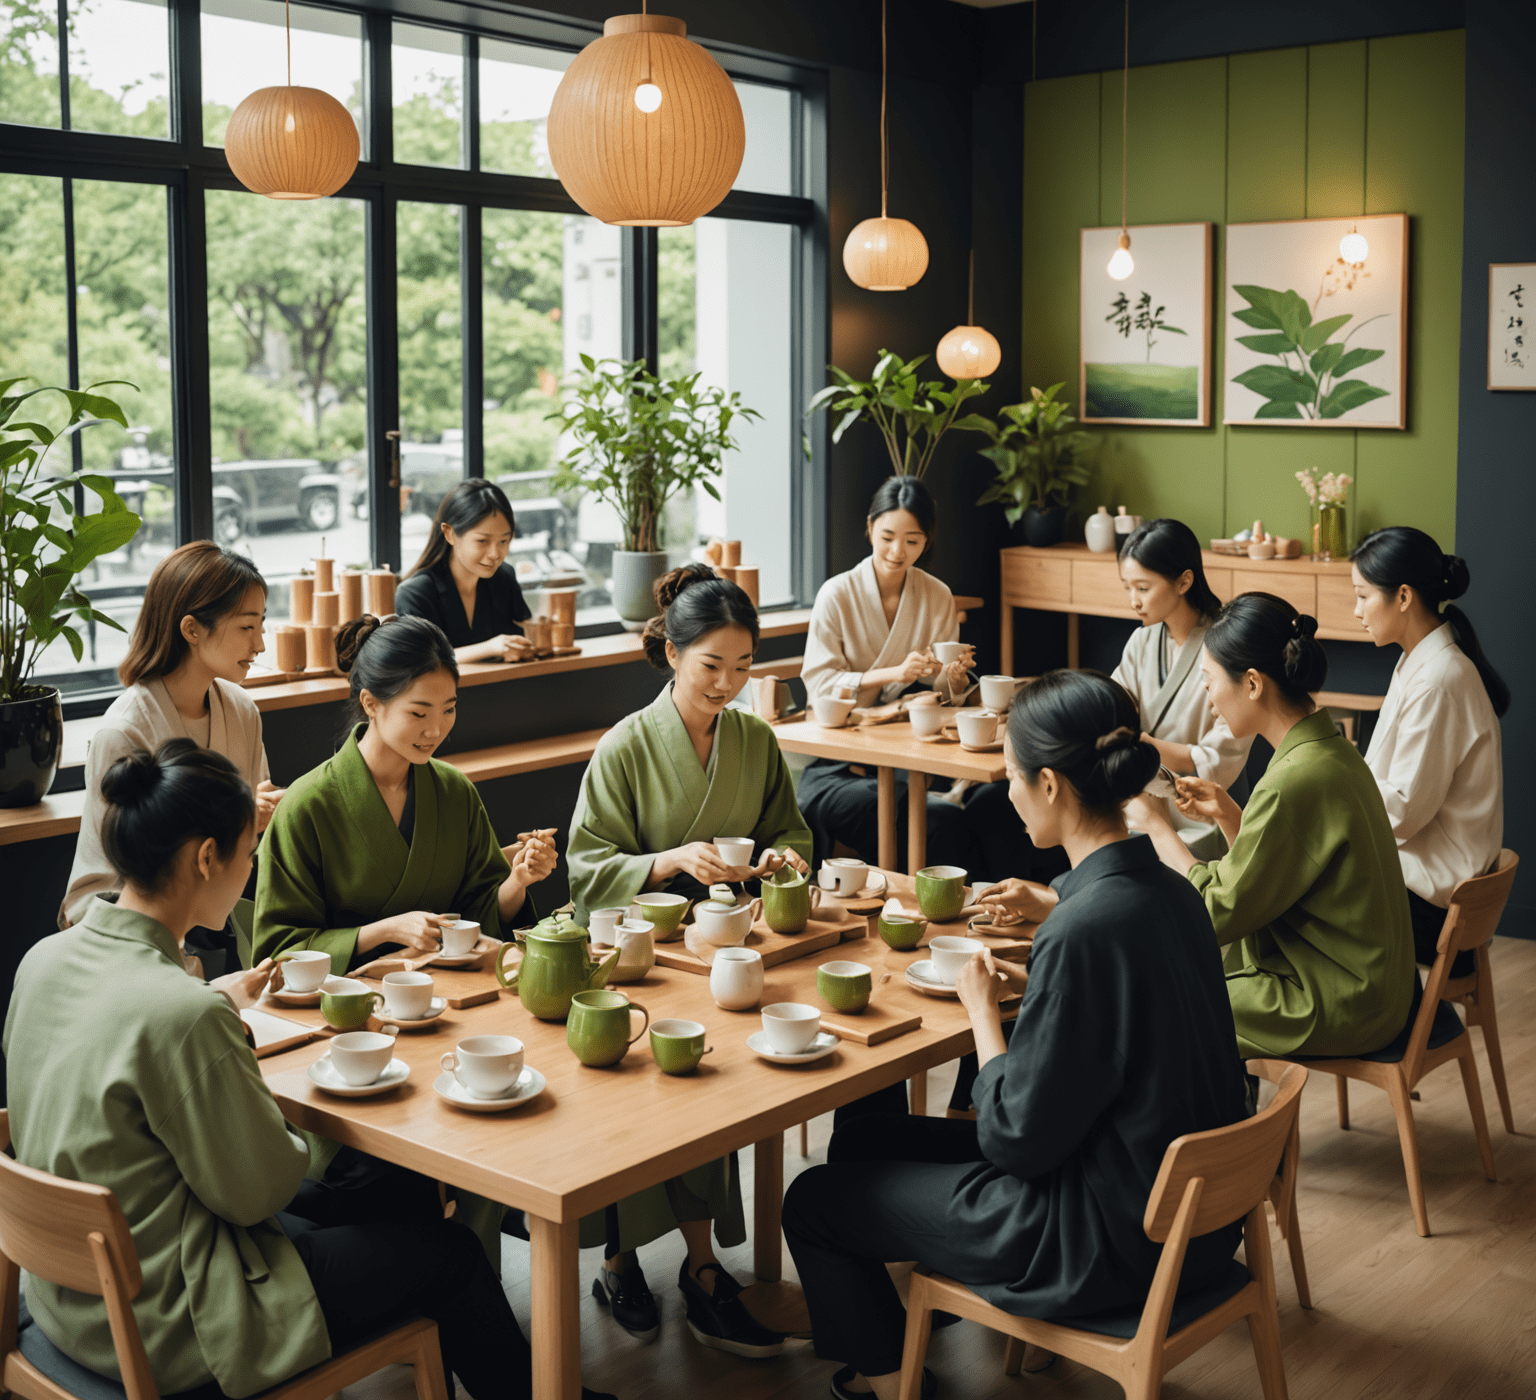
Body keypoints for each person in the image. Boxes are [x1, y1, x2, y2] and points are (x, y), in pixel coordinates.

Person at [5, 740, 609, 1400]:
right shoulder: (181, 1016)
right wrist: (228, 1050)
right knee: (452, 1255)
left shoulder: (43, 963)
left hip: (66, 1298)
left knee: (376, 1194)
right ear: (207, 858)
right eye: (247, 850)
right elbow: (257, 1192)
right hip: (174, 1320)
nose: (253, 864)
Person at [781, 670, 1251, 1400]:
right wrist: (1042, 991)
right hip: (1186, 1220)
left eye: (1011, 777)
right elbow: (1122, 1030)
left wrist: (980, 1008)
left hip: (1093, 1238)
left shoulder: (1080, 929)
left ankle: (889, 1382)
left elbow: (1014, 1140)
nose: (1008, 794)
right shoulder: (1174, 892)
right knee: (867, 1142)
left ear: (1055, 786)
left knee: (811, 1201)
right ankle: (899, 1330)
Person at [253, 614, 555, 1261]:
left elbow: (478, 909)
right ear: (370, 702)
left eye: (449, 709)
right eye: (419, 712)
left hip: (448, 1030)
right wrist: (378, 932)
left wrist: (516, 884)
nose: (436, 729)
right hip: (350, 1055)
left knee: (516, 1107)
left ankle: (465, 1286)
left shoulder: (454, 792)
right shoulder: (307, 806)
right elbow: (273, 954)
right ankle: (452, 1288)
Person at [567, 565, 811, 1358]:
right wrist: (670, 858)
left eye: (743, 668)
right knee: (639, 1109)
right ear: (671, 653)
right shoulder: (625, 746)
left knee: (711, 1096)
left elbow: (792, 833)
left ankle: (704, 1267)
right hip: (637, 957)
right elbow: (585, 867)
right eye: (711, 666)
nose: (729, 685)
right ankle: (620, 1259)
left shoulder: (754, 739)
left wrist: (778, 862)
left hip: (725, 949)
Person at [1130, 592, 1416, 1058]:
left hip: (1336, 997)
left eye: (1208, 682)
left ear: (1253, 684)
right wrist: (1228, 813)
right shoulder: (1330, 749)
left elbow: (1213, 912)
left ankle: (1225, 1128)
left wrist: (1153, 822)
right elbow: (1273, 876)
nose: (1209, 699)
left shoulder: (1292, 781)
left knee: (1161, 997)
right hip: (1375, 986)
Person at [61, 540, 284, 990]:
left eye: (261, 625)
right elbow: (93, 893)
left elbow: (243, 845)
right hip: (136, 960)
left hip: (219, 934)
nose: (260, 644)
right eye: (247, 627)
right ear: (192, 629)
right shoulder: (124, 732)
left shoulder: (241, 710)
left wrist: (255, 821)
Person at [798, 475, 986, 873]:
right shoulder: (837, 594)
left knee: (985, 808)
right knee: (942, 822)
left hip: (911, 761)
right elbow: (819, 688)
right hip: (839, 768)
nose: (897, 551)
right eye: (887, 536)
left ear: (927, 541)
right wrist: (891, 673)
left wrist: (953, 678)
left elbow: (941, 690)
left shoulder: (937, 596)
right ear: (869, 529)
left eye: (912, 541)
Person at [1352, 527, 1508, 978]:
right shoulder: (1419, 663)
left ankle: (1345, 1023)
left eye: (1363, 596)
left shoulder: (1439, 679)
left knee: (1294, 892)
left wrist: (1337, 798)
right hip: (1426, 886)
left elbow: (1401, 811)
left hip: (1433, 908)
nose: (1356, 610)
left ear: (1402, 596)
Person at [1114, 518, 1250, 859]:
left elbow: (1221, 754)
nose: (1134, 601)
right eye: (1127, 588)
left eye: (1143, 588)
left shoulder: (1227, 648)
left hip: (1203, 812)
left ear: (1184, 581)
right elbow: (1113, 704)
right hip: (1138, 803)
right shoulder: (1141, 641)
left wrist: (1142, 745)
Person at [395, 477, 535, 663]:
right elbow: (419, 662)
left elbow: (525, 640)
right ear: (450, 534)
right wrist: (490, 647)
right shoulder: (415, 592)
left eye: (503, 541)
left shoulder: (504, 577)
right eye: (482, 541)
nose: (495, 554)